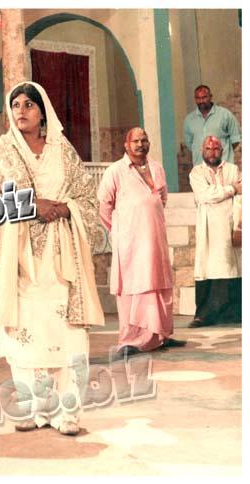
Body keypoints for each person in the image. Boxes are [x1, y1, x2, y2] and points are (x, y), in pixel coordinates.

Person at [0, 81, 104, 436]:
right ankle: (32, 408)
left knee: (66, 333)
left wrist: (64, 208)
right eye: (15, 105)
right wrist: (31, 205)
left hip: (61, 256)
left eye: (29, 105)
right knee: (24, 333)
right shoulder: (2, 153)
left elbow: (87, 197)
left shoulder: (63, 151)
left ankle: (67, 413)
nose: (21, 111)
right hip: (19, 260)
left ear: (43, 112)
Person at [97, 128, 185, 357]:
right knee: (134, 287)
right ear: (126, 145)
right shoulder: (115, 171)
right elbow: (104, 206)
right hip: (130, 243)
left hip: (155, 238)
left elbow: (162, 199)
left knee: (158, 283)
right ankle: (131, 340)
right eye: (135, 141)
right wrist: (121, 229)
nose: (140, 144)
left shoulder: (156, 168)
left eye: (144, 140)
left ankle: (160, 335)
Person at [188, 135, 242, 327]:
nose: (212, 152)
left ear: (222, 150)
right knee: (207, 268)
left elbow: (242, 195)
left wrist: (239, 226)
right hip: (208, 229)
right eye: (208, 148)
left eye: (216, 148)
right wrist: (231, 189)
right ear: (202, 151)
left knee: (232, 268)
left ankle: (233, 314)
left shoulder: (232, 169)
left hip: (229, 226)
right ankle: (204, 316)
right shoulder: (196, 172)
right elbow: (205, 195)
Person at [184, 85, 241, 166]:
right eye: (198, 98)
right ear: (195, 99)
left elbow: (235, 139)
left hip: (223, 166)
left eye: (204, 97)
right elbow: (190, 144)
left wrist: (221, 153)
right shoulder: (189, 120)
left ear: (211, 97)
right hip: (200, 167)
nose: (201, 101)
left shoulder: (225, 115)